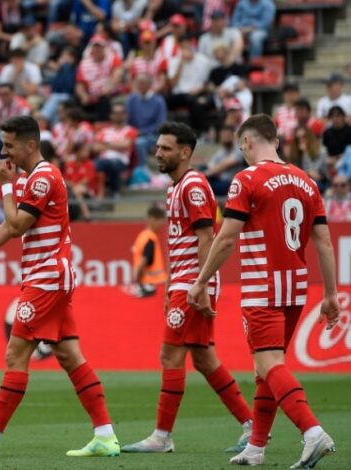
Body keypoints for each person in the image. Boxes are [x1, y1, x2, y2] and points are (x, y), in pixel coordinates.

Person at [0, 115, 120, 461]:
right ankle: (105, 435)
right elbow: (9, 226)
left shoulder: (42, 177)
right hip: (50, 276)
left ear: (30, 144)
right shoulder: (33, 179)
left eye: (9, 145)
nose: (3, 151)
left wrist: (6, 186)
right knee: (69, 355)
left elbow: (16, 225)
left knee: (15, 354)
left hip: (47, 277)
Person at [188, 114, 339, 468]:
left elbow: (226, 237)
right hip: (296, 288)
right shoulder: (307, 181)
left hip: (262, 288)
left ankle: (313, 432)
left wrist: (201, 280)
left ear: (250, 142)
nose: (241, 152)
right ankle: (256, 447)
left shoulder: (247, 180)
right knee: (265, 369)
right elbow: (324, 244)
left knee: (269, 363)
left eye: (241, 146)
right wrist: (330, 295)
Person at [123, 122, 254, 454]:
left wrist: (200, 285)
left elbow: (206, 237)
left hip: (194, 282)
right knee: (205, 358)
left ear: (184, 152)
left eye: (165, 148)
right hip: (184, 281)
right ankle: (252, 426)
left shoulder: (193, 184)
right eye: (157, 148)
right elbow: (179, 241)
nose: (158, 153)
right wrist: (170, 286)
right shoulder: (174, 187)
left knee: (170, 355)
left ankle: (162, 436)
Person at [128, 205, 167, 298]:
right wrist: (137, 283)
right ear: (152, 219)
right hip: (154, 284)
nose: (162, 224)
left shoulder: (142, 236)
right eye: (160, 220)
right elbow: (143, 262)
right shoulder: (151, 238)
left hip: (149, 284)